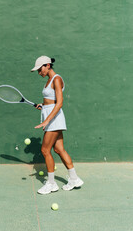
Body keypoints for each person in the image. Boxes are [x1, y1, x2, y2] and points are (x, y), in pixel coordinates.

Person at [31, 55, 84, 195]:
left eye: (40, 69)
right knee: (59, 150)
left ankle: (51, 183)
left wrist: (46, 120)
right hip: (52, 117)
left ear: (47, 65)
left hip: (54, 119)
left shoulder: (57, 79)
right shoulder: (49, 80)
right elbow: (51, 101)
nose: (39, 72)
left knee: (45, 150)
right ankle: (74, 179)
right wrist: (42, 106)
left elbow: (59, 103)